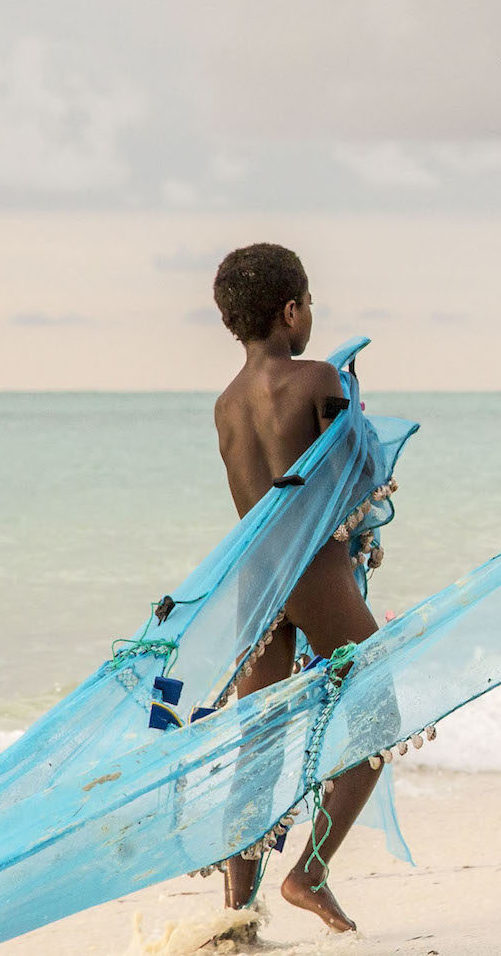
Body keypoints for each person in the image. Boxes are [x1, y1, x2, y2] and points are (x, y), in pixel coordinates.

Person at [210, 242, 381, 933]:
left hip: (256, 581)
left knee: (260, 746)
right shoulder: (317, 380)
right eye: (307, 303)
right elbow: (360, 471)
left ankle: (235, 912)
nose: (310, 314)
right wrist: (353, 399)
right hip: (311, 572)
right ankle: (308, 869)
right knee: (381, 705)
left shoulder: (223, 406)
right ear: (290, 310)